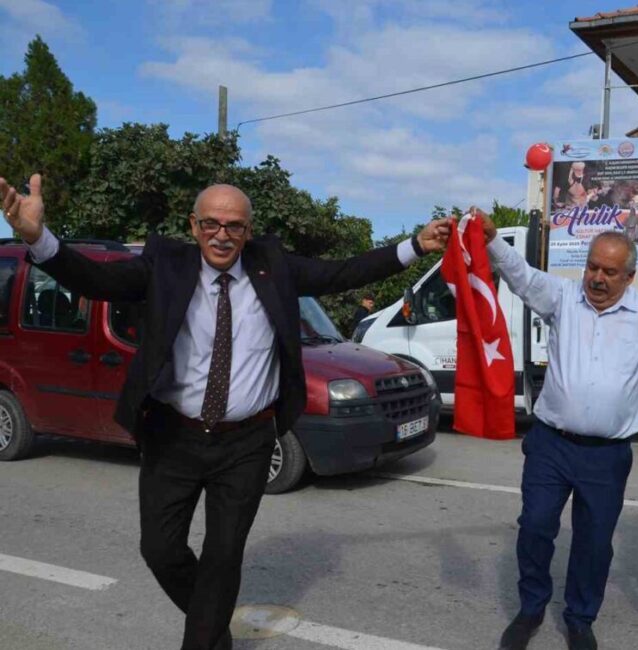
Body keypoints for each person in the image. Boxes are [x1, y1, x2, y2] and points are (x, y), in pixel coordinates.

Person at [0, 174, 451, 650]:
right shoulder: (166, 265)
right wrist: (38, 237)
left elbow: (343, 272)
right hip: (173, 436)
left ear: (248, 231)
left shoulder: (272, 267)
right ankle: (214, 630)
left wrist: (417, 245)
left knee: (223, 557)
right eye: (211, 223)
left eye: (234, 226)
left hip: (246, 443)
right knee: (160, 549)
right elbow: (97, 280)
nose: (222, 235)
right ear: (193, 226)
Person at [484, 214, 638, 650]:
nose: (597, 278)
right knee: (535, 526)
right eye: (592, 267)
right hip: (551, 445)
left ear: (628, 277)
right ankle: (531, 608)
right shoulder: (562, 297)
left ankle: (580, 618)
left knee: (594, 542)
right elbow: (521, 277)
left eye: (610, 272)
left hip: (606, 456)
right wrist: (494, 239)